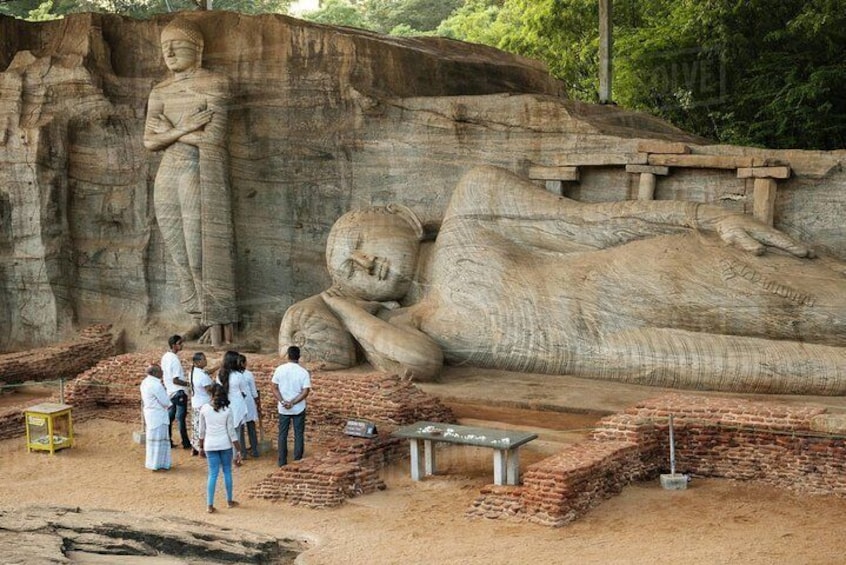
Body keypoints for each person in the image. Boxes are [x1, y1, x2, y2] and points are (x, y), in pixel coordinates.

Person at [280, 165, 846, 395]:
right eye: (348, 273)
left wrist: (705, 217)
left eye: (357, 243)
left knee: (823, 308)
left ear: (401, 217)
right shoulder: (415, 325)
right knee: (819, 373)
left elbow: (594, 222)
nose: (361, 265)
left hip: (649, 278)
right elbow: (418, 365)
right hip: (620, 350)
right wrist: (344, 308)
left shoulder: (472, 208)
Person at [143, 17, 237, 345]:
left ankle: (216, 317)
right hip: (167, 175)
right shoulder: (160, 91)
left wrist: (169, 131)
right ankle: (196, 316)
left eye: (176, 45)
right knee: (178, 253)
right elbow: (149, 142)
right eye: (164, 47)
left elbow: (213, 140)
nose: (168, 52)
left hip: (197, 173)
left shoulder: (215, 84)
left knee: (199, 250)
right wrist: (184, 128)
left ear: (197, 49)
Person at [198, 383, 242, 513]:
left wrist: (200, 447)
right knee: (227, 472)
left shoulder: (204, 409)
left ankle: (209, 505)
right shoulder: (227, 410)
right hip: (225, 444)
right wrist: (238, 450)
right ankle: (229, 501)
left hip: (210, 445)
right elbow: (231, 432)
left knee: (213, 474)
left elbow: (201, 431)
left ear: (211, 395)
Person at [271, 346, 311, 466]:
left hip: (283, 408)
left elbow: (274, 387)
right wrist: (293, 402)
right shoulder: (303, 372)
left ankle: (282, 461)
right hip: (298, 408)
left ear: (288, 355)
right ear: (299, 357)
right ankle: (298, 460)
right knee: (298, 434)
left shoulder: (280, 369)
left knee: (283, 434)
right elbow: (306, 391)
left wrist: (283, 401)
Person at [216, 350, 248, 461]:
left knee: (225, 432)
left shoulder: (220, 375)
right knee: (237, 433)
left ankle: (225, 456)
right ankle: (236, 456)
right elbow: (244, 391)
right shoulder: (238, 375)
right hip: (237, 406)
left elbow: (218, 390)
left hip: (225, 405)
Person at [140, 365, 172, 471]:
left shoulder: (145, 382)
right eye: (160, 371)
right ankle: (159, 464)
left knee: (152, 441)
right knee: (159, 441)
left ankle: (152, 463)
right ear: (155, 373)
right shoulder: (156, 385)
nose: (162, 373)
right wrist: (169, 401)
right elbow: (165, 401)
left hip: (150, 414)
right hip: (158, 415)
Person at [161, 335, 191, 449]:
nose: (182, 345)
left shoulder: (165, 357)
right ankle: (186, 442)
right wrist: (189, 384)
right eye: (180, 343)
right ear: (174, 345)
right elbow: (176, 380)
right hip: (178, 391)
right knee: (181, 418)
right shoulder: (174, 359)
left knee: (170, 417)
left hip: (171, 392)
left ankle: (168, 440)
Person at [188, 351, 214, 456]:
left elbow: (207, 372)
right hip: (204, 404)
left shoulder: (193, 372)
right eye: (204, 359)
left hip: (196, 403)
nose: (206, 360)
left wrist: (217, 367)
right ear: (198, 362)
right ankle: (202, 449)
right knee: (204, 427)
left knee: (196, 426)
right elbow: (209, 390)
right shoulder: (202, 376)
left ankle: (195, 447)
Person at [238, 353, 261, 458]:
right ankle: (255, 449)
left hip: (239, 403)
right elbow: (254, 391)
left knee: (240, 429)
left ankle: (242, 452)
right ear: (243, 363)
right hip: (248, 401)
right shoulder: (248, 374)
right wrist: (257, 402)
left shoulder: (233, 375)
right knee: (251, 426)